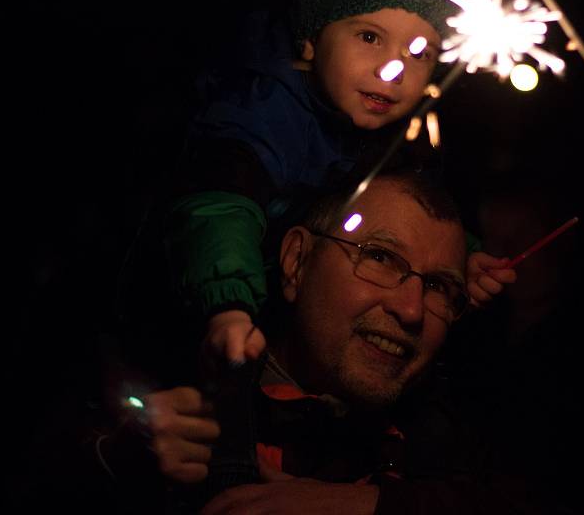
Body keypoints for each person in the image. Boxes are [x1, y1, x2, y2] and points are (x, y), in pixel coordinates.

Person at [116, 0, 516, 384]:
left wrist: (457, 260)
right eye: (369, 37)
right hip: (175, 320)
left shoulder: (403, 140)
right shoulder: (262, 108)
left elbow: (406, 219)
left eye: (418, 52)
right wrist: (228, 307)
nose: (393, 70)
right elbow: (218, 206)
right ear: (310, 39)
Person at [132, 170, 557, 514]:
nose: (411, 310)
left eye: (438, 285)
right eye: (380, 257)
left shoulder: (450, 443)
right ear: (297, 261)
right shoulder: (185, 397)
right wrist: (117, 464)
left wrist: (371, 505)